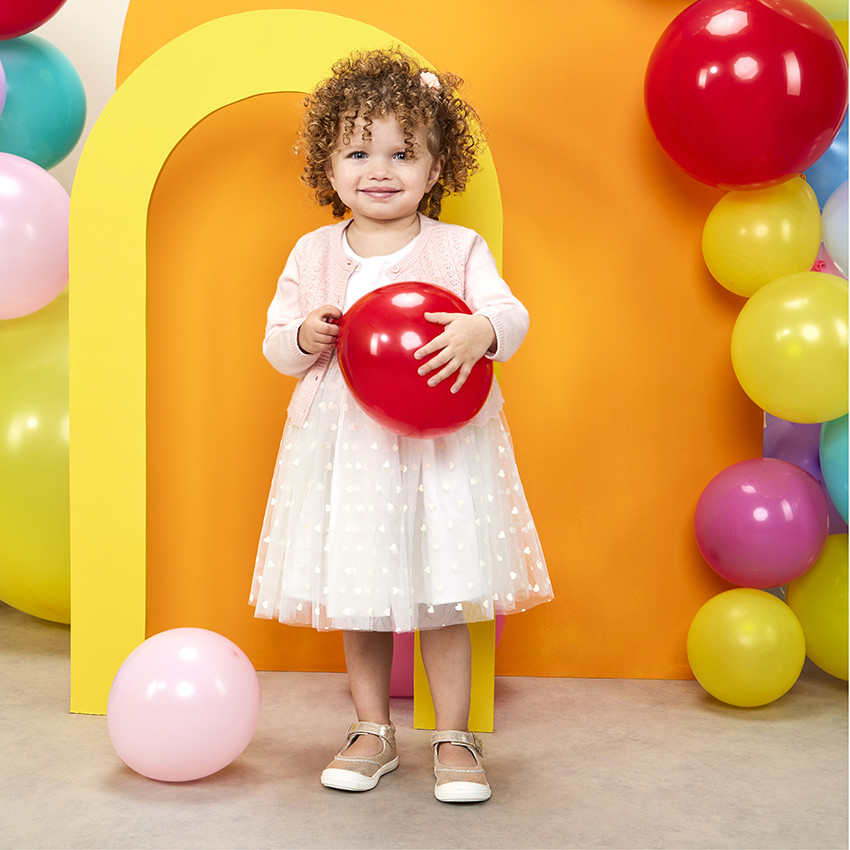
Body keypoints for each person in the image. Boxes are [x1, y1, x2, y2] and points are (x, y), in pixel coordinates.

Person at [249, 48, 554, 803]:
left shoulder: (457, 248)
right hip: (348, 451)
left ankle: (454, 736)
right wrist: (305, 335)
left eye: (402, 154)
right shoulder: (314, 253)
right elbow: (277, 344)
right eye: (358, 153)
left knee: (444, 590)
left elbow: (510, 314)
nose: (379, 171)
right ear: (328, 165)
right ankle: (371, 729)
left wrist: (483, 329)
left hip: (438, 452)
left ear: (435, 167)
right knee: (360, 588)